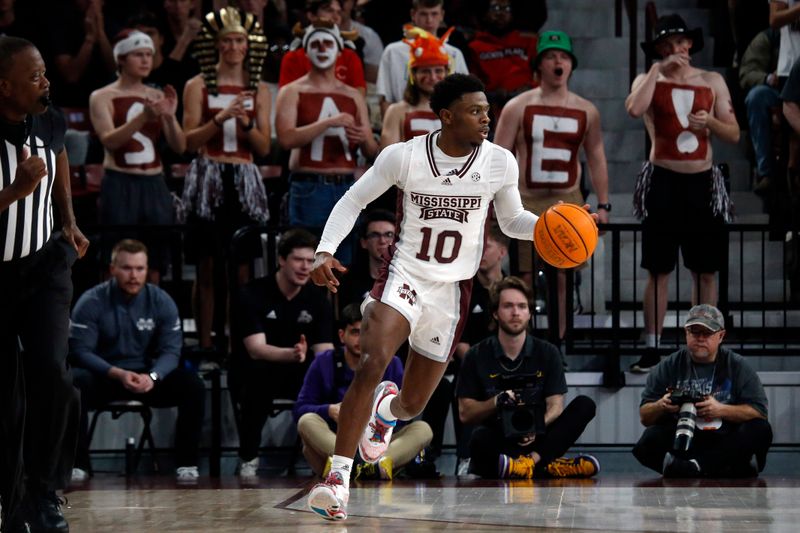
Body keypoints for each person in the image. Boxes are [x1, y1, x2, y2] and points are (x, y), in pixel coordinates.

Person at [306, 73, 555, 522]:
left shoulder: (499, 162)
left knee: (413, 404)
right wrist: (325, 249)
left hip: (452, 290)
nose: (486, 116)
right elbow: (353, 200)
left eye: (486, 109)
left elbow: (514, 219)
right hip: (405, 275)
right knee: (372, 358)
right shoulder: (404, 157)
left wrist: (550, 228)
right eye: (475, 110)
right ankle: (337, 479)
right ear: (446, 116)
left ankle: (386, 412)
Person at [0, 36, 89, 533]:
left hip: (44, 266)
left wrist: (69, 220)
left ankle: (45, 491)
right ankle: (11, 501)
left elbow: (61, 165)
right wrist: (16, 191)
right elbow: (28, 182)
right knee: (6, 396)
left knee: (54, 375)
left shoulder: (50, 118)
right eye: (34, 77)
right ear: (3, 87)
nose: (45, 82)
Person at [625, 14, 740, 372]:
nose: (678, 49)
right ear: (660, 49)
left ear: (690, 44)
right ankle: (653, 344)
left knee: (705, 269)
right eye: (669, 44)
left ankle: (704, 343)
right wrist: (658, 70)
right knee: (658, 268)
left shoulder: (712, 80)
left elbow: (733, 133)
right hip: (663, 177)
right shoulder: (649, 79)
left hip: (703, 181)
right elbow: (634, 108)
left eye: (682, 42)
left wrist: (712, 123)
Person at [494, 30, 610, 339]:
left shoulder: (587, 110)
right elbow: (498, 154)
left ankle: (560, 341)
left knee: (564, 272)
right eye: (550, 56)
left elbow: (596, 155)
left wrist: (603, 202)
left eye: (563, 57)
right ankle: (524, 339)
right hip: (526, 198)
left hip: (568, 198)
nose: (558, 62)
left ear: (571, 65)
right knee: (525, 274)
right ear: (539, 65)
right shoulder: (517, 106)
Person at [68, 239, 206, 482]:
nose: (134, 275)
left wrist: (154, 376)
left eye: (140, 269)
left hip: (146, 376)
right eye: (127, 268)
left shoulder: (161, 300)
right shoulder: (91, 301)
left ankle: (187, 464)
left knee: (192, 385)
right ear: (112, 269)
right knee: (73, 384)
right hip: (105, 376)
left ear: (147, 270)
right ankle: (76, 464)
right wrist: (117, 373)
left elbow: (172, 350)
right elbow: (80, 351)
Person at [181, 6, 271, 351]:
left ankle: (237, 345)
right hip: (209, 174)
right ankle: (205, 345)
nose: (234, 47)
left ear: (249, 46)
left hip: (244, 173)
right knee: (206, 268)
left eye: (239, 40)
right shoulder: (197, 85)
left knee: (242, 270)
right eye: (227, 40)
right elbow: (188, 141)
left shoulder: (258, 88)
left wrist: (244, 121)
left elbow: (263, 146)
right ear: (216, 46)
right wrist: (220, 118)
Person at [455, 276, 598, 479]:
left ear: (530, 313)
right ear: (495, 313)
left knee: (585, 405)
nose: (516, 313)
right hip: (500, 435)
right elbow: (465, 413)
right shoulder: (476, 355)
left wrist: (536, 427)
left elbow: (555, 406)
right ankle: (548, 465)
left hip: (538, 436)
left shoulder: (548, 352)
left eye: (522, 306)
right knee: (479, 438)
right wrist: (497, 401)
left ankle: (529, 463)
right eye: (508, 306)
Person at [231, 228, 335, 478]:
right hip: (256, 369)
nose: (304, 267)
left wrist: (325, 368)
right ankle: (248, 457)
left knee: (329, 380)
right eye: (298, 260)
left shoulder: (317, 298)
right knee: (258, 382)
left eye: (310, 261)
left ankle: (331, 456)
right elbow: (256, 350)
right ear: (281, 260)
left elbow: (324, 351)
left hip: (299, 371)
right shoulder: (253, 293)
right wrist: (293, 354)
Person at [276, 19, 378, 265]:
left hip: (346, 185)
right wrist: (327, 123)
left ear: (339, 49)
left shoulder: (353, 94)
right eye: (316, 43)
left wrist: (363, 139)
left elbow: (372, 151)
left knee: (343, 264)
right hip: (309, 185)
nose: (322, 48)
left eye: (328, 43)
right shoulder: (291, 91)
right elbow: (286, 138)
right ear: (306, 49)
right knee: (307, 259)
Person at [89, 30, 186, 284]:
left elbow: (179, 145)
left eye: (149, 55)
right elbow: (109, 140)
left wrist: (169, 116)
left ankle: (151, 313)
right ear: (121, 58)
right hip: (120, 182)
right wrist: (143, 117)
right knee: (115, 252)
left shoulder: (156, 96)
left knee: (155, 257)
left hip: (154, 183)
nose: (145, 60)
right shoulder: (102, 96)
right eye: (138, 55)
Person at [294, 303, 432, 480]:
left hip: (379, 440)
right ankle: (356, 464)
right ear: (342, 335)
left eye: (368, 332)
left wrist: (379, 418)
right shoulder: (323, 362)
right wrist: (329, 410)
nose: (362, 339)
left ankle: (363, 466)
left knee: (423, 429)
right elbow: (299, 410)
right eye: (355, 332)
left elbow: (406, 415)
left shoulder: (393, 362)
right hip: (337, 438)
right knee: (307, 421)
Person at [632, 304, 773, 477]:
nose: (700, 338)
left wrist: (720, 409)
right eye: (694, 332)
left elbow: (760, 412)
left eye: (707, 333)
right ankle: (722, 466)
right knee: (648, 441)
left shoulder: (737, 365)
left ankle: (692, 467)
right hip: (686, 434)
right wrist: (661, 405)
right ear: (686, 333)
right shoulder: (669, 365)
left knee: (760, 429)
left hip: (725, 435)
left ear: (721, 336)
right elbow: (645, 416)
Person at [375, 0, 469, 117]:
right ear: (413, 15)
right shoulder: (393, 52)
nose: (429, 20)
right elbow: (385, 98)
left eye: (434, 14)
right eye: (424, 14)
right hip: (404, 120)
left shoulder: (454, 53)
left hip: (445, 125)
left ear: (442, 15)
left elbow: (465, 97)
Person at [379, 25, 450, 148]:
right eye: (425, 71)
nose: (433, 77)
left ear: (447, 73)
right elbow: (388, 160)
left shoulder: (457, 111)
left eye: (438, 71)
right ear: (413, 74)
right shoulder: (396, 111)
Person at [467, 0, 538, 122]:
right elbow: (472, 85)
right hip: (491, 110)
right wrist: (493, 93)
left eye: (506, 9)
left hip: (528, 104)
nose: (501, 14)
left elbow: (542, 75)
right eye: (495, 8)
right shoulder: (475, 46)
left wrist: (530, 87)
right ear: (485, 14)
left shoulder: (528, 41)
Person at [279, 0, 367, 95]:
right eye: (329, 11)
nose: (336, 17)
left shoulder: (350, 57)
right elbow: (287, 97)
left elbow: (359, 94)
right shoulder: (293, 58)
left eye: (338, 12)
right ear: (312, 16)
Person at [454, 222, 508, 359]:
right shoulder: (463, 290)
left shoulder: (513, 291)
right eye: (478, 247)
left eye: (487, 247)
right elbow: (460, 341)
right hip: (472, 369)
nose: (481, 252)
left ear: (502, 252)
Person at [739, 28, 780, 194]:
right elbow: (747, 73)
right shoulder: (769, 38)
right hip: (778, 92)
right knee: (756, 97)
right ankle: (765, 173)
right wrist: (768, 78)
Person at [334, 208, 396, 315]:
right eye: (375, 235)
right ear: (364, 242)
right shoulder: (348, 282)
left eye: (389, 235)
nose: (382, 241)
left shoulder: (409, 279)